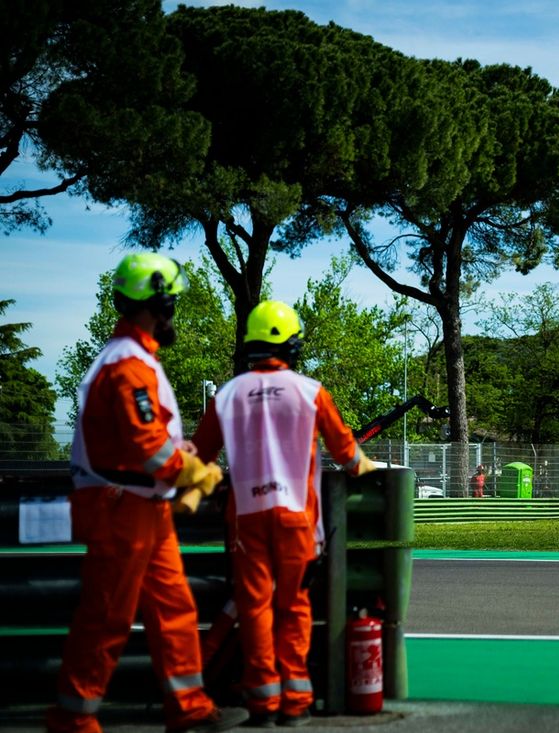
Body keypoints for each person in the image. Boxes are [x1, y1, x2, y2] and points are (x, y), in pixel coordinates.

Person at [48, 253, 248, 733]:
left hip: (139, 506)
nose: (173, 311)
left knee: (173, 608)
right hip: (122, 507)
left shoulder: (132, 361)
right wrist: (194, 471)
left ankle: (189, 708)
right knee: (107, 616)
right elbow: (148, 449)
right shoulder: (129, 366)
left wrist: (181, 458)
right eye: (172, 302)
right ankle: (73, 719)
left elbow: (147, 441)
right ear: (159, 305)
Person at [192, 301, 377, 728]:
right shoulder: (310, 392)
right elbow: (347, 454)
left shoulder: (226, 395)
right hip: (298, 519)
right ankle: (295, 702)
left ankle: (263, 702)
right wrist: (364, 468)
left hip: (246, 518)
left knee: (254, 608)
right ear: (291, 344)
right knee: (294, 606)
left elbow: (198, 457)